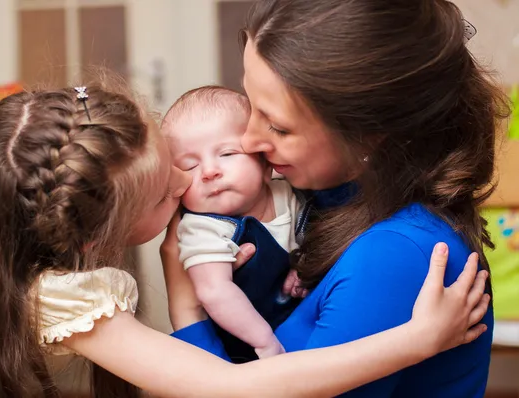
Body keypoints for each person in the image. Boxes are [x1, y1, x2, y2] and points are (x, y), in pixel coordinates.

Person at [0, 78, 489, 398]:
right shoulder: (64, 299)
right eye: (170, 192)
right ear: (98, 241)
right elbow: (229, 390)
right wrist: (416, 341)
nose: (190, 184)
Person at [163, 1, 508, 397]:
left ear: (369, 136)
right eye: (250, 106)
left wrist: (186, 309)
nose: (248, 141)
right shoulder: (316, 201)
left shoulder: (392, 255)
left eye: (277, 125)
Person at [162, 85, 305, 360]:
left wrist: (310, 263)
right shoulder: (202, 227)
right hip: (248, 349)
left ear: (265, 162)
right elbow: (214, 291)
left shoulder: (289, 193)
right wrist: (264, 342)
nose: (209, 172)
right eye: (189, 166)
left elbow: (328, 230)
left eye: (227, 154)